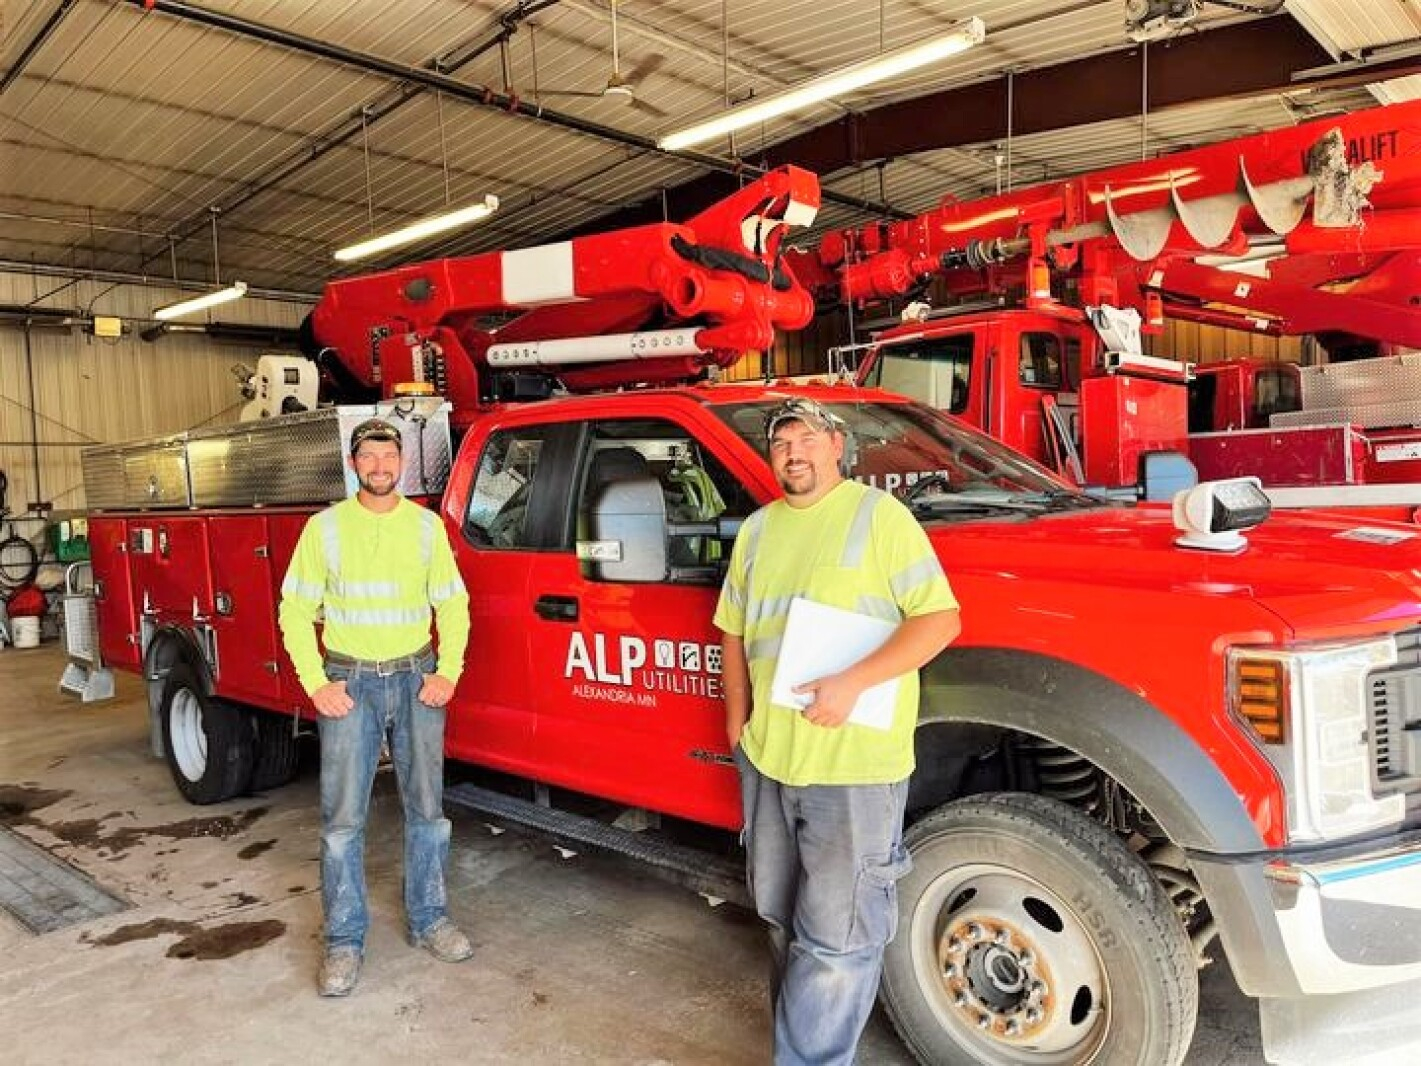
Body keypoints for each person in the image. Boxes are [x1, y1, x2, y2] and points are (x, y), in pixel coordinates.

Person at [714, 397, 961, 1065]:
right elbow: (733, 631)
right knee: (780, 917)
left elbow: (938, 620)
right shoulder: (758, 531)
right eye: (780, 444)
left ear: (834, 445)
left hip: (851, 769)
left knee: (837, 939)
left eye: (805, 438)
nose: (792, 452)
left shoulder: (879, 518)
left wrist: (852, 683)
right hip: (770, 760)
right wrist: (737, 723)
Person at [279, 417, 473, 998]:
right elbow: (294, 610)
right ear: (353, 462)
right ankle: (343, 940)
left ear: (403, 464)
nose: (381, 466)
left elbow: (453, 604)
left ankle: (430, 919)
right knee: (342, 823)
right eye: (370, 456)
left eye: (390, 456)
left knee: (427, 813)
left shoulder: (426, 528)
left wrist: (447, 671)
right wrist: (317, 683)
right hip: (349, 684)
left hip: (416, 680)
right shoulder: (324, 530)